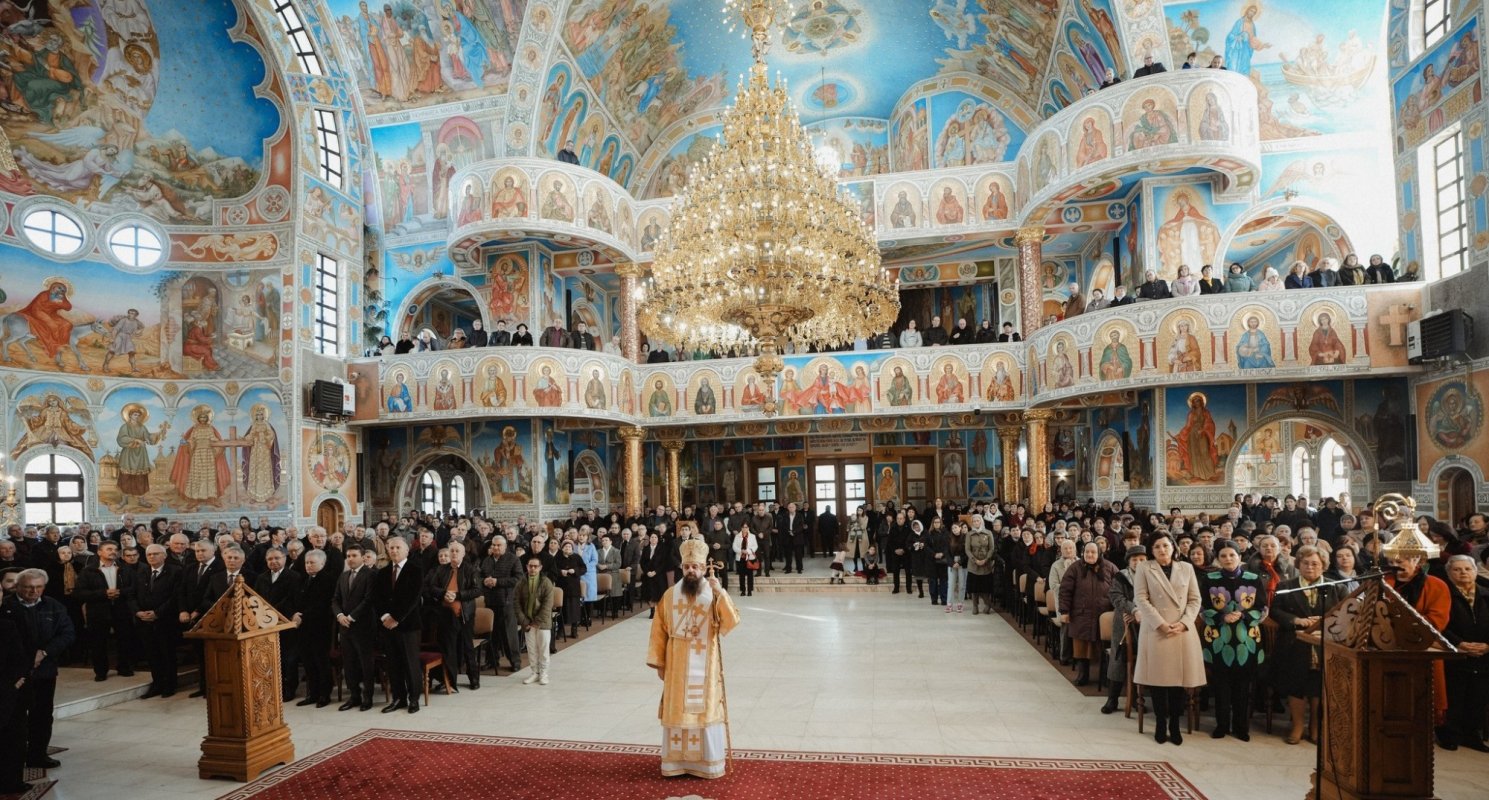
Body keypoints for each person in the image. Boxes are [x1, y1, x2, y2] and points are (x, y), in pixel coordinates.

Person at [646, 538, 740, 779]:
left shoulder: (713, 593)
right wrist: (659, 660)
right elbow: (658, 629)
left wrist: (721, 593)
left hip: (705, 663)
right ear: (682, 568)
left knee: (703, 709)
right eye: (687, 567)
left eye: (695, 567)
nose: (691, 571)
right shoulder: (669, 596)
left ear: (702, 569)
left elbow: (731, 622)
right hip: (676, 665)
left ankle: (706, 763)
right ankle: (677, 762)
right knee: (678, 709)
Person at [1133, 534, 1204, 745]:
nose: (1162, 550)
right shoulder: (1145, 568)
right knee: (1158, 681)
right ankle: (1161, 723)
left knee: (1178, 682)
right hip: (1157, 629)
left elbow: (1195, 599)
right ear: (1152, 550)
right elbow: (1141, 598)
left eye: (1165, 545)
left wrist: (1184, 622)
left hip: (1181, 630)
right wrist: (1160, 624)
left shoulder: (1186, 568)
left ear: (1173, 547)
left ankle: (1175, 723)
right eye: (1157, 547)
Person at [1271, 546, 1344, 744]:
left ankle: (1315, 726)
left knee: (1318, 686)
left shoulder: (1336, 587)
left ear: (1323, 566)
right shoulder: (1286, 585)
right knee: (1297, 685)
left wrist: (1323, 620)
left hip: (1324, 644)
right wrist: (1296, 620)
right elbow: (1275, 611)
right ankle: (1296, 726)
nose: (1310, 567)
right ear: (1298, 564)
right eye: (1305, 563)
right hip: (1294, 644)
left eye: (1315, 564)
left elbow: (1345, 613)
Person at [1199, 540, 1268, 740]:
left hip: (1246, 638)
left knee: (1243, 686)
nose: (1228, 559)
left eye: (1232, 555)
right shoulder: (1209, 578)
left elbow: (1262, 607)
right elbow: (1202, 606)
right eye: (1223, 556)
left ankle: (1241, 727)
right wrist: (1221, 616)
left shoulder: (1253, 578)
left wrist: (1243, 616)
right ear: (1218, 559)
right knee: (1221, 685)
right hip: (1219, 638)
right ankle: (1221, 725)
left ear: (1240, 557)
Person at [1384, 545, 1452, 745]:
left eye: (1403, 560)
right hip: (1386, 648)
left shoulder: (1436, 585)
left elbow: (1437, 620)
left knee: (1421, 700)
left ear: (1418, 561)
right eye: (1394, 561)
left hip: (1422, 648)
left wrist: (1399, 624)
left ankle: (1421, 736)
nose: (1397, 565)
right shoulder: (1383, 582)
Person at [9, 568, 74, 774]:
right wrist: (27, 657)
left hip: (44, 671)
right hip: (15, 673)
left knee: (43, 714)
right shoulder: (7, 607)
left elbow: (67, 633)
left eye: (38, 587)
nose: (33, 591)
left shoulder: (53, 606)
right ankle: (12, 758)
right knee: (14, 717)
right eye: (28, 587)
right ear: (17, 587)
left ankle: (38, 754)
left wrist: (45, 652)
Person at [1442, 554, 1489, 751]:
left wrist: (1487, 645)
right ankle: (1450, 734)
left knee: (1478, 696)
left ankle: (1472, 735)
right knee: (1455, 694)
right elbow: (1440, 625)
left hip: (1484, 652)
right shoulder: (1444, 594)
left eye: (1467, 569)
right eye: (1457, 569)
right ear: (1449, 573)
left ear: (1475, 571)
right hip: (1455, 652)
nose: (1463, 573)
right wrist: (1459, 643)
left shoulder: (1486, 594)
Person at [75, 541, 136, 681]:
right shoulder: (88, 571)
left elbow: (133, 588)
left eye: (115, 549)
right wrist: (103, 594)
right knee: (98, 642)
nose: (113, 552)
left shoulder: (125, 568)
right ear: (99, 552)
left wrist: (120, 592)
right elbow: (80, 593)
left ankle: (124, 667)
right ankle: (101, 671)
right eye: (109, 549)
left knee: (125, 640)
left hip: (121, 609)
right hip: (98, 611)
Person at [375, 537, 423, 713]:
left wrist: (396, 617)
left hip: (407, 625)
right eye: (391, 548)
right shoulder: (382, 572)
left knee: (410, 663)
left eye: (397, 547)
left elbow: (412, 598)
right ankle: (398, 698)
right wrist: (385, 617)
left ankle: (414, 698)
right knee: (393, 664)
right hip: (387, 625)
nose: (394, 550)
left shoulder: (415, 570)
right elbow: (378, 598)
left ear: (406, 550)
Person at [1060, 541, 1115, 686]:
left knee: (1102, 646)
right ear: (1083, 553)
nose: (1090, 555)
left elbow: (1119, 589)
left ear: (1099, 553)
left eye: (1093, 552)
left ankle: (1104, 676)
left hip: (1103, 615)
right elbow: (1065, 591)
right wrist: (1064, 611)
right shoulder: (1075, 568)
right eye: (1087, 552)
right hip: (1080, 614)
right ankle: (1083, 674)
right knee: (1081, 647)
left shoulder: (1110, 567)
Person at [428, 540, 481, 692]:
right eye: (452, 551)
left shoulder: (470, 569)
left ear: (463, 554)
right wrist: (444, 594)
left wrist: (457, 596)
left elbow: (477, 590)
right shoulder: (441, 569)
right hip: (445, 615)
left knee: (467, 647)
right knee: (448, 648)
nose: (454, 554)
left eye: (457, 551)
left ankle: (474, 679)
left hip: (464, 614)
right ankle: (450, 681)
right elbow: (432, 587)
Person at [1101, 545, 1146, 714]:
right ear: (1129, 562)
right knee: (1118, 660)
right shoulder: (1121, 576)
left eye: (1142, 559)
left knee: (1140, 660)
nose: (1138, 562)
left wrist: (1142, 613)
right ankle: (1112, 699)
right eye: (1134, 560)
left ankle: (1134, 698)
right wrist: (1133, 609)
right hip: (1124, 622)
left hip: (1145, 624)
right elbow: (1115, 596)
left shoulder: (1153, 576)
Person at [333, 544, 378, 711]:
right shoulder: (343, 576)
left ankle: (368, 697)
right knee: (349, 663)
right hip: (345, 627)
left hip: (363, 626)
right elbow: (335, 599)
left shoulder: (371, 574)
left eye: (353, 555)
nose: (350, 559)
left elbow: (369, 599)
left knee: (365, 663)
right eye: (348, 556)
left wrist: (351, 617)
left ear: (362, 557)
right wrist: (340, 616)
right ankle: (354, 696)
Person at [133, 544, 180, 698]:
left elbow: (175, 597)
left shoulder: (175, 572)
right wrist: (138, 612)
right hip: (144, 620)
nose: (152, 557)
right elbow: (131, 595)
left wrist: (157, 613)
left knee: (167, 653)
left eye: (155, 554)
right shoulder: (141, 572)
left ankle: (170, 685)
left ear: (164, 555)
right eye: (149, 555)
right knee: (152, 654)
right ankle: (157, 683)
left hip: (165, 620)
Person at [293, 549, 337, 706]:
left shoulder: (328, 580)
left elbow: (323, 604)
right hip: (303, 628)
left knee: (321, 661)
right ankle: (312, 694)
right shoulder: (303, 579)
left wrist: (302, 616)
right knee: (308, 662)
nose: (308, 565)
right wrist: (295, 614)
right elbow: (297, 600)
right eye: (306, 562)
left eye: (312, 562)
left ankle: (324, 695)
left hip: (320, 627)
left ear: (322, 563)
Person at [515, 554, 555, 685]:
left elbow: (547, 605)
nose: (532, 569)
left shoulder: (546, 582)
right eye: (530, 566)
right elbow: (516, 602)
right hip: (527, 621)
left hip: (542, 623)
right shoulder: (521, 582)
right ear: (526, 567)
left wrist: (536, 622)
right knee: (531, 649)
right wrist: (524, 621)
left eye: (535, 566)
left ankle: (544, 673)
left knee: (543, 649)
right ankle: (534, 672)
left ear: (540, 568)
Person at [733, 524, 758, 596]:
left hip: (749, 558)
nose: (745, 529)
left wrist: (748, 551)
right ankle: (743, 591)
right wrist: (741, 551)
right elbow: (734, 546)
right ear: (741, 528)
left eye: (746, 527)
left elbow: (755, 546)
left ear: (748, 528)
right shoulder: (737, 536)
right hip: (740, 558)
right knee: (741, 575)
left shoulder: (752, 536)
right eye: (743, 527)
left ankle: (749, 590)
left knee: (750, 575)